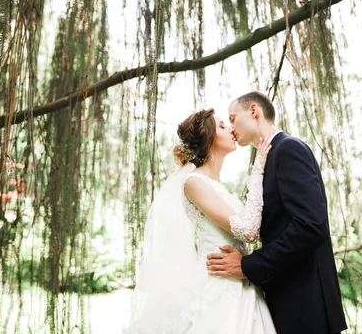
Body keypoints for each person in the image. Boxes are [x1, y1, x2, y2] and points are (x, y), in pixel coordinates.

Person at [206, 91, 348, 334]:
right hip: (286, 298)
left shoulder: (289, 149)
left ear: (253, 111)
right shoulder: (268, 159)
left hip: (306, 303)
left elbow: (310, 225)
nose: (231, 127)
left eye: (232, 118)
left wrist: (249, 265)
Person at [124, 108, 276, 334]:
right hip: (218, 285)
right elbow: (249, 230)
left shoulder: (219, 187)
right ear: (210, 139)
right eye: (223, 126)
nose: (231, 129)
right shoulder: (193, 183)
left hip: (241, 281)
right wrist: (257, 173)